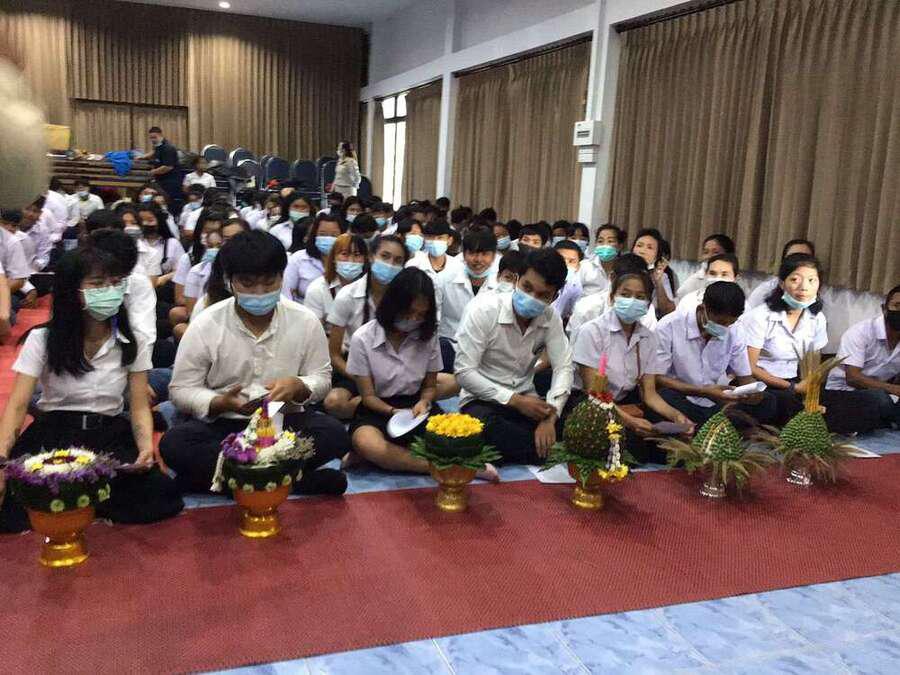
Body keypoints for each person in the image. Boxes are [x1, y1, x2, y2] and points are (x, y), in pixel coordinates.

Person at [0, 247, 183, 533]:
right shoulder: (43, 338)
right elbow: (18, 404)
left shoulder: (131, 341)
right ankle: (85, 501)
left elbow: (138, 406)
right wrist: (2, 457)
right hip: (54, 433)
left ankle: (80, 502)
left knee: (160, 496)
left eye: (115, 283)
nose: (109, 291)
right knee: (14, 499)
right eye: (97, 284)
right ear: (72, 291)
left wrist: (146, 448)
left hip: (108, 432)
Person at [160, 231, 350, 496]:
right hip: (224, 425)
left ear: (282, 277)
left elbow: (321, 378)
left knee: (334, 433)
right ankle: (288, 480)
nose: (260, 292)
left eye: (269, 282)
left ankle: (228, 480)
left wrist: (298, 385)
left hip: (284, 422)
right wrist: (219, 402)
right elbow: (181, 389)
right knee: (175, 443)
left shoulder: (304, 320)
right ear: (229, 281)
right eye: (248, 284)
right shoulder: (206, 323)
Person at [345, 268, 498, 479]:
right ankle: (447, 467)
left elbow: (429, 386)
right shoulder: (363, 338)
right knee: (367, 443)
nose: (413, 319)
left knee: (457, 435)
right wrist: (393, 412)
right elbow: (368, 396)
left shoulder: (428, 336)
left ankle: (387, 458)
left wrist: (424, 401)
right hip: (378, 409)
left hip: (417, 407)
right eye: (408, 313)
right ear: (393, 305)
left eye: (420, 315)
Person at [455, 249, 573, 464]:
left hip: (528, 398)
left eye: (543, 295)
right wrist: (515, 401)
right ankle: (543, 450)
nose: (532, 298)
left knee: (574, 419)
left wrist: (550, 417)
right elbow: (464, 372)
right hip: (482, 400)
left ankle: (534, 448)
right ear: (517, 279)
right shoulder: (483, 309)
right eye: (527, 287)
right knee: (488, 428)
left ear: (554, 297)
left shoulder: (551, 317)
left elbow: (563, 367)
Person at [571, 269, 694, 462]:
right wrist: (630, 422)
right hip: (590, 405)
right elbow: (594, 393)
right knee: (628, 450)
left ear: (648, 304)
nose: (632, 301)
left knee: (672, 446)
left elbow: (650, 394)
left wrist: (677, 416)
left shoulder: (648, 337)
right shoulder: (592, 332)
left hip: (624, 402)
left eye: (640, 297)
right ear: (612, 297)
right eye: (625, 294)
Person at [654, 281, 776, 427]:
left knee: (768, 402)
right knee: (664, 397)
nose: (725, 328)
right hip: (680, 396)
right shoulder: (669, 326)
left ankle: (709, 425)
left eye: (730, 323)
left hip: (716, 398)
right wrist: (702, 391)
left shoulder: (735, 330)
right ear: (702, 308)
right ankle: (712, 425)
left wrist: (752, 392)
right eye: (720, 322)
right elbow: (658, 377)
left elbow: (744, 377)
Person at [325, 235, 409, 419]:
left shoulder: (406, 297)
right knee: (334, 402)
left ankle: (380, 406)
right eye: (385, 256)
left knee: (451, 382)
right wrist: (363, 380)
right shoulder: (347, 295)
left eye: (398, 260)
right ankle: (384, 406)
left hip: (397, 364)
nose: (390, 264)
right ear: (371, 257)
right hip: (356, 367)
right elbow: (334, 355)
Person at [743, 255, 828, 425]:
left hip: (795, 383)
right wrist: (792, 387)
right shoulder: (760, 316)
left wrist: (810, 395)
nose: (804, 287)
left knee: (840, 403)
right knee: (780, 402)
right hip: (762, 383)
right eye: (795, 280)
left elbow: (813, 365)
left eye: (812, 280)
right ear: (782, 283)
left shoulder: (817, 318)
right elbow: (749, 367)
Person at [822, 285, 900, 433]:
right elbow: (852, 378)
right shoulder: (861, 332)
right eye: (897, 306)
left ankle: (885, 419)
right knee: (879, 400)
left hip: (881, 393)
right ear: (884, 309)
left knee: (882, 401)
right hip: (841, 392)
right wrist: (893, 389)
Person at [437, 228, 497, 373]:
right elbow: (433, 317)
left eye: (485, 254)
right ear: (464, 255)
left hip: (487, 353)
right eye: (473, 253)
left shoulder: (500, 285)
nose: (478, 260)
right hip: (449, 348)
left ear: (494, 256)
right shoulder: (444, 279)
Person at [568, 253, 658, 340]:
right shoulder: (586, 308)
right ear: (612, 277)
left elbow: (651, 342)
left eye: (639, 295)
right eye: (625, 294)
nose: (632, 301)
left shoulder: (646, 311)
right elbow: (574, 345)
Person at [303, 232, 368, 324]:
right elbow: (313, 328)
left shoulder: (370, 287)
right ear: (334, 257)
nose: (351, 260)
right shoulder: (317, 289)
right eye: (344, 254)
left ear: (365, 259)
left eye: (357, 255)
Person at [281, 212, 345, 303]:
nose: (328, 238)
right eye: (322, 234)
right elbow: (286, 293)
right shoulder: (298, 258)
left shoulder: (349, 262)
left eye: (334, 235)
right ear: (314, 235)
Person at [747, 238, 816, 308]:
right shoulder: (765, 291)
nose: (798, 263)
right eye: (792, 258)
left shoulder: (820, 293)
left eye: (804, 258)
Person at [135, 203, 185, 287]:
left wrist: (164, 278)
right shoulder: (135, 242)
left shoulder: (172, 243)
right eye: (141, 220)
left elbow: (181, 270)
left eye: (150, 220)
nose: (145, 223)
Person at [675, 234, 737, 301]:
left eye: (715, 252)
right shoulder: (695, 281)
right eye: (706, 252)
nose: (709, 256)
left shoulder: (734, 281)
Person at [632, 228, 678, 316]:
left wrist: (658, 283)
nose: (642, 251)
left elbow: (668, 311)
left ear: (657, 256)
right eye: (639, 245)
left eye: (650, 247)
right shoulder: (621, 270)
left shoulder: (661, 276)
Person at [675, 252, 740, 313]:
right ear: (706, 275)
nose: (717, 279)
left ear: (735, 278)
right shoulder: (689, 302)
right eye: (712, 273)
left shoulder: (742, 307)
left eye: (724, 274)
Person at [578, 223, 625, 296]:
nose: (605, 245)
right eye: (600, 241)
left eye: (610, 241)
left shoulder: (625, 269)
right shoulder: (584, 266)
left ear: (620, 246)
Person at [140, 127, 182, 207]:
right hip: (161, 179)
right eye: (151, 138)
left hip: (170, 181)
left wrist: (153, 172)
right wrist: (143, 157)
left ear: (160, 135)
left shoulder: (168, 148)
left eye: (154, 137)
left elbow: (168, 167)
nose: (152, 140)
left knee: (168, 202)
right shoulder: (158, 145)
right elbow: (154, 151)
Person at [552, 240, 585, 322]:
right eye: (561, 259)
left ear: (578, 266)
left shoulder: (576, 285)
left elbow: (572, 313)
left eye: (571, 261)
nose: (565, 265)